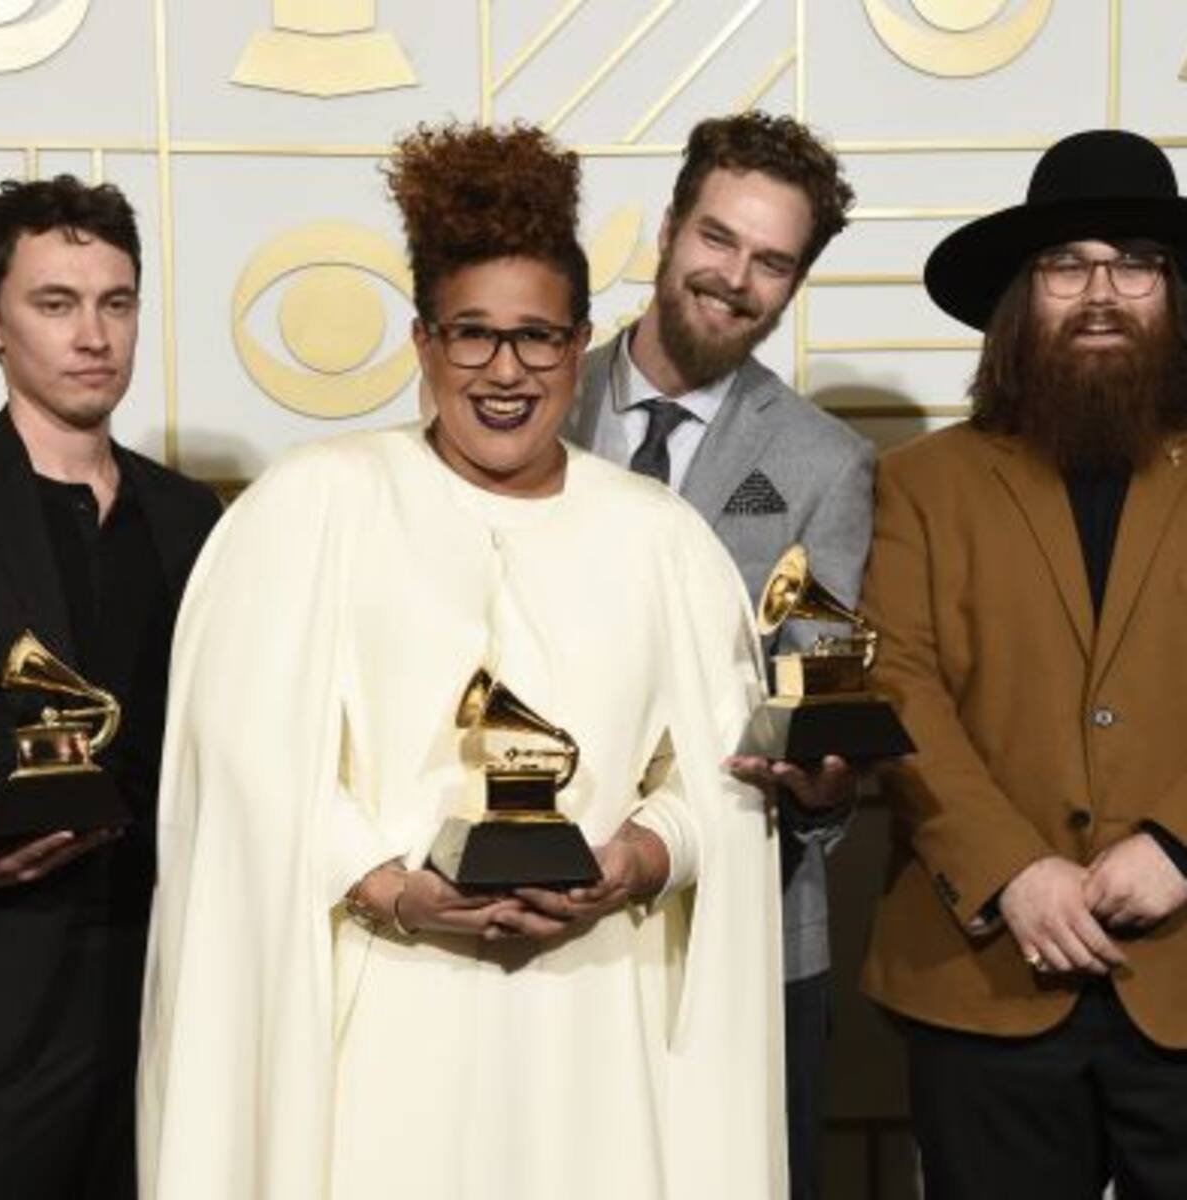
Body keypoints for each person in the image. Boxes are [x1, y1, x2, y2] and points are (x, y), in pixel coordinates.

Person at [138, 122, 784, 1200]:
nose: (505, 371)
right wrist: (391, 888)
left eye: (537, 338)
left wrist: (634, 859)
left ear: (580, 344)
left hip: (594, 1025)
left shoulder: (660, 539)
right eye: (472, 336)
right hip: (388, 1025)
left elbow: (723, 777)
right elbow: (243, 771)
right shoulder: (314, 507)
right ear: (423, 342)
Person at [861, 128, 1187, 1199]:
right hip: (982, 978)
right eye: (1065, 265)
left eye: (1134, 264)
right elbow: (895, 684)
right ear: (1021, 298)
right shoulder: (921, 482)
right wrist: (1013, 869)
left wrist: (1180, 845)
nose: (1100, 293)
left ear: (1173, 292)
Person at [565, 110, 873, 1200]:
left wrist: (824, 783)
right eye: (717, 238)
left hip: (746, 929)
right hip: (544, 908)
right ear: (668, 229)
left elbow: (818, 692)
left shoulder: (827, 465)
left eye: (771, 262)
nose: (734, 279)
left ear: (794, 285)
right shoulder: (527, 398)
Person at [0, 176, 221, 1199]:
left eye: (116, 303)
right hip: (6, 987)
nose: (94, 335)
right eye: (56, 303)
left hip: (169, 982)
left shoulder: (193, 517)